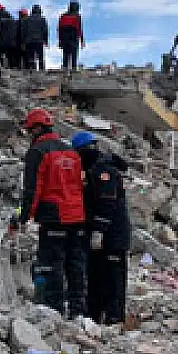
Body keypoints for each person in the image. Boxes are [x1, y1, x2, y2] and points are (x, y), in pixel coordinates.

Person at [10, 108, 87, 318]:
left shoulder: (39, 152)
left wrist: (23, 217)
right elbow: (80, 184)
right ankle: (78, 310)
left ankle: (55, 311)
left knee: (51, 264)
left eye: (29, 131)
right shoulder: (70, 151)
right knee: (75, 264)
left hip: (54, 216)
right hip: (77, 215)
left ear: (36, 128)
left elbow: (32, 189)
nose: (28, 136)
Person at [72, 131, 129, 324]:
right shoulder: (93, 170)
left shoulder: (104, 171)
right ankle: (95, 314)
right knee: (96, 275)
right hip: (101, 236)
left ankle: (114, 317)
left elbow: (107, 203)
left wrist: (99, 230)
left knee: (113, 277)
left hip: (112, 236)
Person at [58, 0, 84, 72]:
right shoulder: (77, 16)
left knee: (65, 54)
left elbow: (59, 29)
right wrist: (81, 40)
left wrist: (60, 40)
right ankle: (74, 68)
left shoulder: (63, 16)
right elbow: (79, 29)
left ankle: (65, 68)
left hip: (64, 38)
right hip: (74, 38)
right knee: (74, 54)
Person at [0, 4, 20, 68]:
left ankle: (0, 70)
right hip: (12, 42)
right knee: (11, 57)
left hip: (2, 42)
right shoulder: (12, 19)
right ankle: (13, 71)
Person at [27, 4, 50, 71]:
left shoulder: (28, 19)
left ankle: (31, 70)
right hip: (39, 40)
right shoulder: (42, 19)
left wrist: (24, 40)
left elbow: (25, 30)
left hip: (30, 40)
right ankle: (41, 70)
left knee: (31, 56)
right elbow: (45, 30)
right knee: (40, 56)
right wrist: (46, 41)